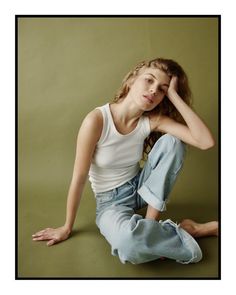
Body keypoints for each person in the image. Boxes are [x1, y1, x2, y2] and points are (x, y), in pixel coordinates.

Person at [32, 58, 218, 264]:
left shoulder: (152, 121)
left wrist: (174, 95)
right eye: (149, 80)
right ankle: (189, 230)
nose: (154, 90)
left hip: (141, 187)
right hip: (110, 202)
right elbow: (79, 176)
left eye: (162, 89)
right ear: (131, 79)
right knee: (128, 246)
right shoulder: (96, 120)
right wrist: (66, 227)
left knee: (174, 141)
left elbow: (205, 141)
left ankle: (149, 228)